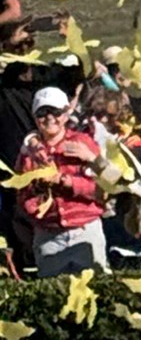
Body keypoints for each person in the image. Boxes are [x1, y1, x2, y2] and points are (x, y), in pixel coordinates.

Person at [15, 87, 112, 277]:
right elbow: (22, 196)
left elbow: (102, 189)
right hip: (48, 235)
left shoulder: (82, 144)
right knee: (53, 291)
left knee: (94, 287)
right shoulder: (30, 153)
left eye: (56, 112)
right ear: (34, 117)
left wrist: (66, 182)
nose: (49, 118)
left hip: (85, 229)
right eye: (42, 113)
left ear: (66, 114)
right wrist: (39, 192)